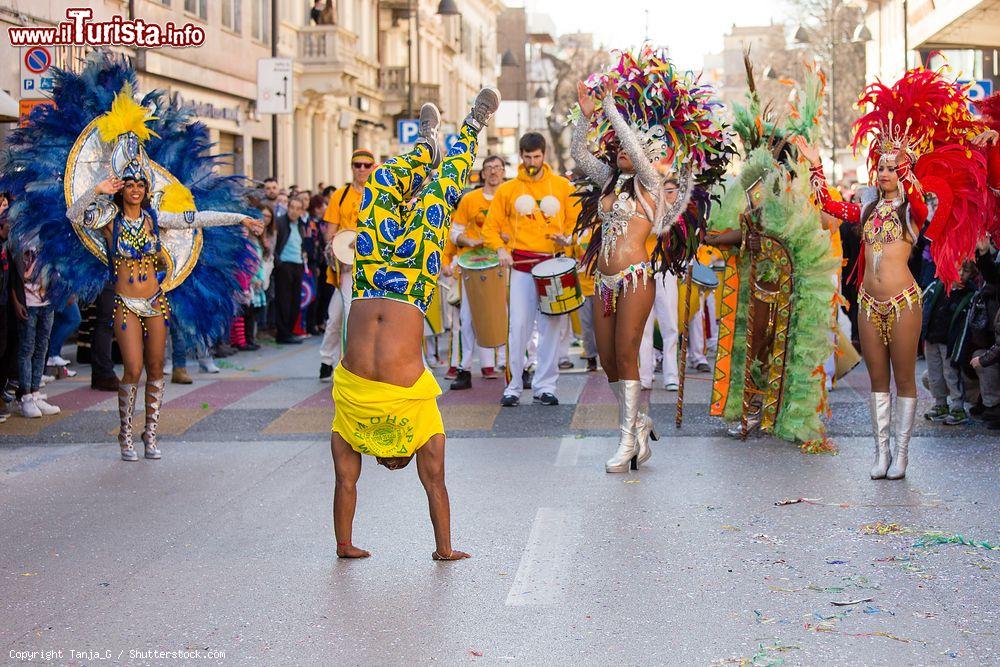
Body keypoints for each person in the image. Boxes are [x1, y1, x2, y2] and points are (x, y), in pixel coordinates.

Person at [2, 54, 262, 461]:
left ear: (148, 186)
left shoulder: (161, 220)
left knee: (158, 371)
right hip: (125, 303)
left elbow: (201, 217)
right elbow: (74, 215)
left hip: (156, 301)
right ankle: (126, 433)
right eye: (130, 183)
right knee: (134, 371)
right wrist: (98, 189)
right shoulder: (107, 218)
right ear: (122, 187)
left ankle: (150, 435)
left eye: (141, 183)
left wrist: (242, 216)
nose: (137, 188)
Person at [795, 67, 990, 478]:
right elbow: (831, 206)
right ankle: (880, 452)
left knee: (904, 377)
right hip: (868, 303)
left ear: (903, 171)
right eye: (880, 166)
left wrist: (908, 163)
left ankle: (902, 452)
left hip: (904, 302)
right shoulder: (866, 208)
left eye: (891, 167)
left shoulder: (913, 210)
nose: (883, 172)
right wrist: (814, 167)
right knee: (877, 379)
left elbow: (918, 193)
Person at [330, 87, 499, 560]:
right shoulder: (423, 422)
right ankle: (472, 124)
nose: (387, 464)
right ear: (407, 452)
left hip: (366, 282)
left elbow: (346, 483)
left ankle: (425, 143)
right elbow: (437, 488)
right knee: (441, 194)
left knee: (382, 185)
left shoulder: (352, 424)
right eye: (395, 463)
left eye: (383, 462)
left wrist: (345, 545)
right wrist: (444, 549)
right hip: (410, 284)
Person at [571, 47, 730, 471]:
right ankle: (638, 422)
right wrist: (587, 117)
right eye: (621, 145)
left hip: (635, 278)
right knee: (606, 360)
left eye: (632, 146)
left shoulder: (649, 182)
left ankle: (626, 441)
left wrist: (610, 106)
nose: (623, 150)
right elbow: (580, 156)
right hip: (603, 282)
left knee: (627, 354)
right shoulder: (610, 182)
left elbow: (638, 154)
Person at [705, 61, 839, 448]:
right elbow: (740, 230)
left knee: (796, 348)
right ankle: (754, 407)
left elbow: (826, 223)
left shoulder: (798, 191)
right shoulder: (751, 193)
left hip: (800, 284)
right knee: (757, 343)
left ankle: (786, 411)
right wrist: (720, 237)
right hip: (760, 282)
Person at [482, 132, 577, 407]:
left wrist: (567, 240)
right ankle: (513, 385)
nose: (532, 162)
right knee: (519, 328)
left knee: (551, 328)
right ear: (521, 156)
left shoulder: (561, 186)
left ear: (544, 154)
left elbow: (575, 224)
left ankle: (545, 386)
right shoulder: (508, 189)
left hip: (553, 267)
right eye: (527, 157)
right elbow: (490, 228)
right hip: (521, 267)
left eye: (536, 156)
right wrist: (500, 249)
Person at [445, 154, 506, 389]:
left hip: (501, 265)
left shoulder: (510, 195)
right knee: (466, 319)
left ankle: (515, 367)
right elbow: (454, 233)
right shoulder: (470, 200)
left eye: (497, 168)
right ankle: (464, 369)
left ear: (503, 171)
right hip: (471, 266)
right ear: (482, 173)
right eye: (489, 168)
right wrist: (470, 242)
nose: (493, 172)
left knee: (509, 317)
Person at [318, 149, 375, 380]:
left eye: (366, 165)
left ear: (373, 168)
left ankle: (349, 363)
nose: (361, 169)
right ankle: (327, 360)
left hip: (370, 267)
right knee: (337, 316)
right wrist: (338, 252)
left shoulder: (379, 194)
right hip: (346, 268)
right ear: (351, 167)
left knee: (354, 316)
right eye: (357, 164)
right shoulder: (340, 195)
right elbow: (329, 234)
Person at [921, 265, 977, 425]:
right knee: (934, 374)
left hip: (950, 343)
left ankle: (958, 406)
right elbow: (920, 300)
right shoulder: (938, 285)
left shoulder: (969, 295)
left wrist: (959, 350)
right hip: (931, 338)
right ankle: (940, 404)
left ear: (972, 273)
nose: (960, 274)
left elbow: (966, 325)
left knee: (951, 374)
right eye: (957, 268)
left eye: (965, 271)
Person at [273, 196, 307, 344]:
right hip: (284, 265)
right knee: (283, 301)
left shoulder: (300, 225)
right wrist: (277, 262)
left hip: (298, 265)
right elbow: (274, 244)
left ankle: (290, 331)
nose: (293, 211)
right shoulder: (280, 222)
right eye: (291, 207)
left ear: (301, 211)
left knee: (295, 301)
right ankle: (282, 334)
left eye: (297, 208)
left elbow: (301, 243)